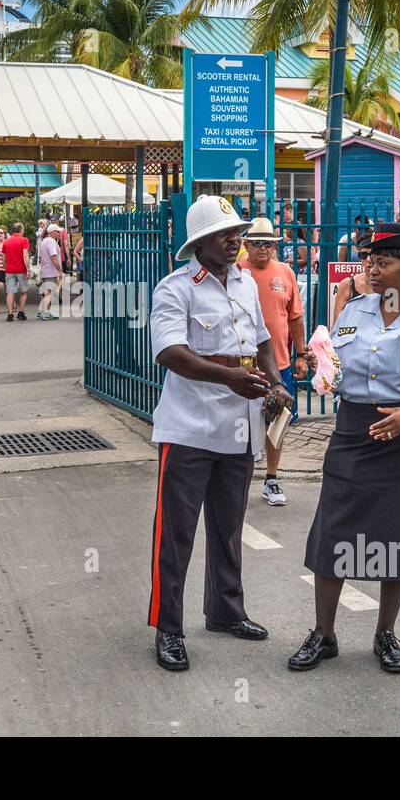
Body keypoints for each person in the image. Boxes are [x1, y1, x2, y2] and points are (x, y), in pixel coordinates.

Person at [290, 223, 400, 675]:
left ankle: (385, 633)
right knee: (335, 531)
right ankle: (324, 633)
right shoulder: (353, 311)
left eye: (384, 261)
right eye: (370, 260)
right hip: (354, 433)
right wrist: (321, 368)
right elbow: (337, 369)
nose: (372, 268)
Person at [147, 195, 292, 672]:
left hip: (239, 428)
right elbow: (170, 352)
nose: (236, 241)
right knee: (177, 535)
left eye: (238, 233)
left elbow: (265, 341)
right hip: (189, 428)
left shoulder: (246, 284)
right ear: (200, 242)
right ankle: (168, 627)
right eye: (225, 234)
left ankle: (226, 611)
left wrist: (273, 382)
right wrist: (229, 376)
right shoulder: (176, 288)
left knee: (228, 528)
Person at [239, 217, 306, 506]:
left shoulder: (285, 273)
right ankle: (237, 478)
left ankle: (272, 478)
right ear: (246, 245)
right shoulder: (236, 272)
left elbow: (295, 317)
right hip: (243, 365)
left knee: (276, 422)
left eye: (269, 243)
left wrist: (301, 354)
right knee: (241, 423)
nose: (263, 249)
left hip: (278, 363)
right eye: (257, 243)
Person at [2, 222, 30, 321]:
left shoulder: (6, 242)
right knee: (24, 291)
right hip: (21, 270)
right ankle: (20, 312)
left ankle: (10, 314)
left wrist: (6, 267)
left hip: (9, 270)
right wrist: (28, 269)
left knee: (10, 292)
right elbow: (25, 255)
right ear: (21, 230)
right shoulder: (24, 240)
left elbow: (3, 257)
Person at [36, 223, 64, 320]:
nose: (59, 233)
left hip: (46, 270)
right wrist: (59, 269)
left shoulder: (44, 241)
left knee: (46, 292)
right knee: (49, 292)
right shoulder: (51, 242)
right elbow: (53, 256)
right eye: (57, 231)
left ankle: (43, 311)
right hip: (51, 270)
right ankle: (44, 312)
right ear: (52, 232)